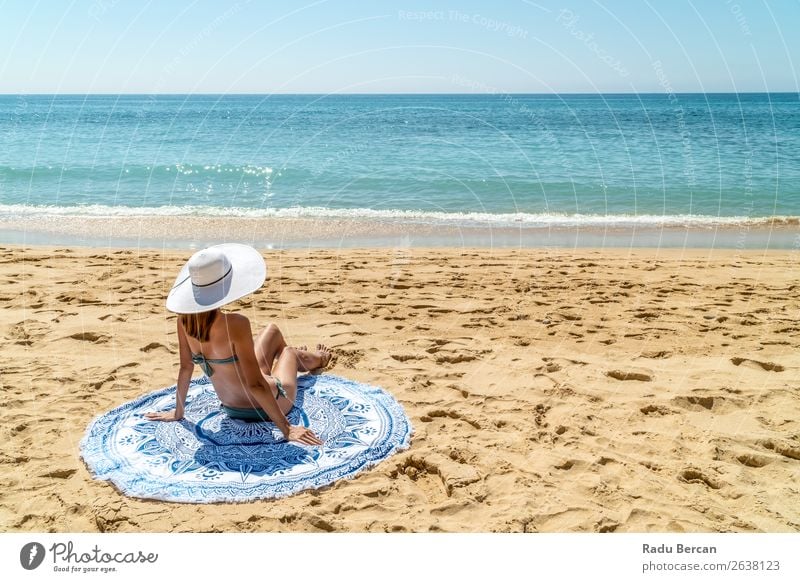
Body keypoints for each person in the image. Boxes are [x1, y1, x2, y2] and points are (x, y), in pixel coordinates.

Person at [145, 243, 329, 446]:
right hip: (270, 403)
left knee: (272, 331)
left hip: (231, 407)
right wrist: (286, 429)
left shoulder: (184, 323)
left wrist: (178, 412)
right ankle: (318, 359)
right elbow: (256, 384)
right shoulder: (236, 324)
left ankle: (294, 365)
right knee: (289, 351)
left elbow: (186, 368)